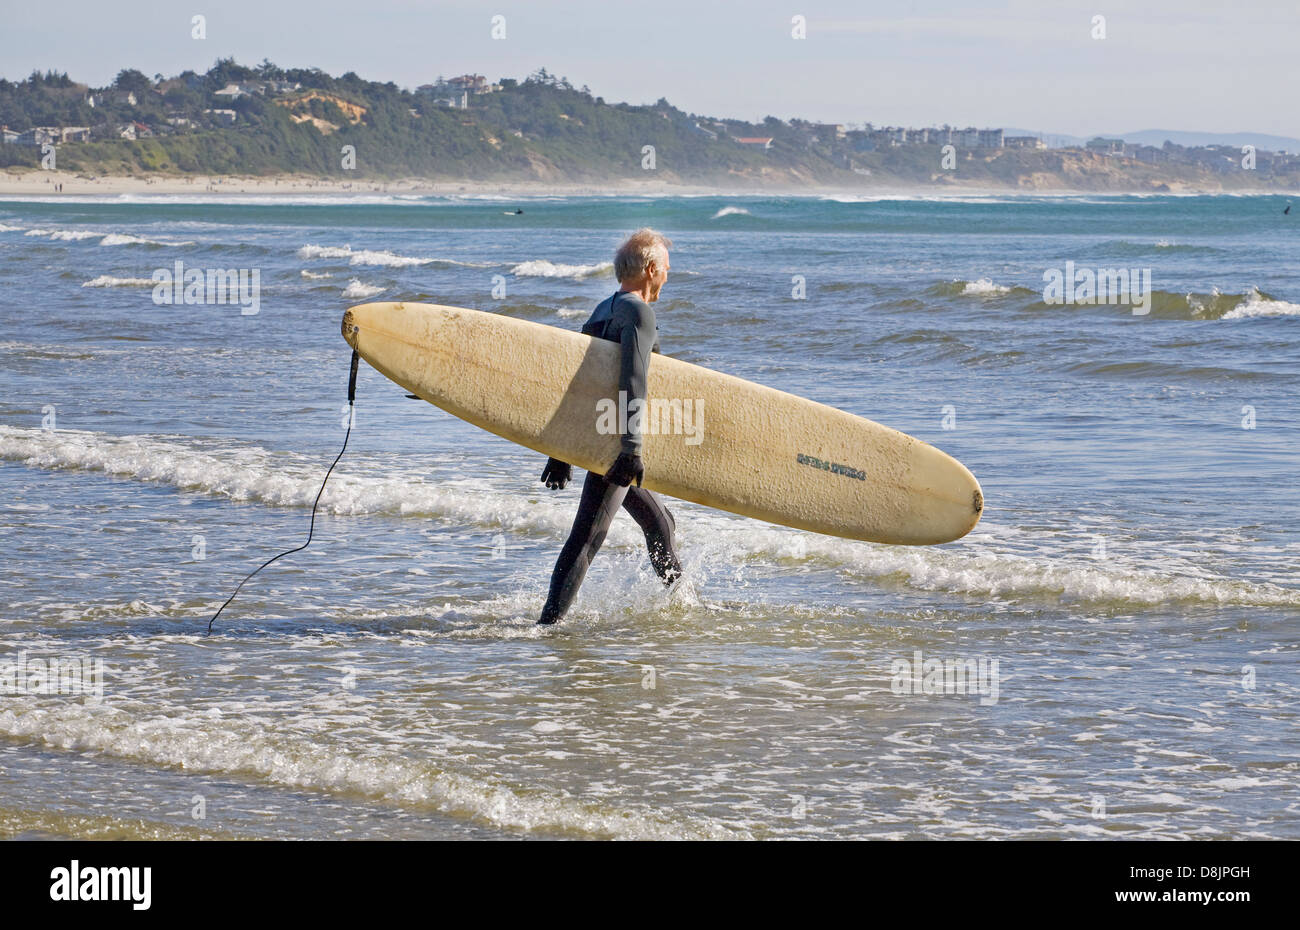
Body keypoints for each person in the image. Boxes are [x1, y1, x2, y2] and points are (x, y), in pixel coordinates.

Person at [537, 228, 682, 624]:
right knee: (588, 538)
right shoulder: (639, 313)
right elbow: (632, 380)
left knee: (659, 522)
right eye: (666, 269)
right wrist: (631, 449)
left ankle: (683, 604)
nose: (668, 276)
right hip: (617, 446)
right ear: (651, 269)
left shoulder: (602, 310)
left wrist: (562, 450)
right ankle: (547, 628)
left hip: (600, 438)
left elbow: (580, 385)